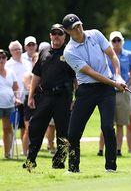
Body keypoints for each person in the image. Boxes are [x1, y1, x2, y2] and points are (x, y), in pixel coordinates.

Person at [62, 14, 126, 173]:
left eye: (79, 24)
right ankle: (73, 168)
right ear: (68, 31)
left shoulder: (95, 34)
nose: (78, 29)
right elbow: (91, 72)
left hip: (106, 90)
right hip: (86, 90)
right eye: (74, 28)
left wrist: (118, 75)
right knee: (74, 132)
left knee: (107, 127)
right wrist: (114, 83)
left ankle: (111, 167)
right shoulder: (69, 51)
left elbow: (112, 55)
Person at [22, 24, 76, 170]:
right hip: (44, 96)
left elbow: (76, 78)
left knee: (63, 132)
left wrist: (74, 98)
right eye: (54, 33)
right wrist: (31, 95)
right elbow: (37, 75)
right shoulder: (44, 51)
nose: (56, 36)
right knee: (35, 127)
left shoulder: (69, 52)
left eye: (60, 33)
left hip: (63, 98)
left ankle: (59, 162)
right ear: (50, 35)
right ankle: (30, 160)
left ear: (65, 36)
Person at [97, 31, 131, 157]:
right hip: (107, 92)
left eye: (118, 40)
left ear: (122, 41)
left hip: (122, 93)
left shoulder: (128, 55)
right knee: (106, 123)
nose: (116, 43)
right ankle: (101, 149)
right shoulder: (105, 55)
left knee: (120, 124)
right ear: (110, 42)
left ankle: (118, 149)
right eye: (114, 41)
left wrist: (126, 84)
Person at [6, 40, 31, 156]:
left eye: (19, 49)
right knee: (13, 126)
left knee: (25, 126)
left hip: (27, 98)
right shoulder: (8, 64)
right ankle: (10, 150)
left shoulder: (27, 62)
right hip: (15, 100)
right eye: (14, 49)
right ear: (10, 51)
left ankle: (24, 149)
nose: (17, 51)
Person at [0, 49, 20, 159]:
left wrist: (17, 98)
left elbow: (16, 88)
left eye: (3, 57)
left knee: (8, 129)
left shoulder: (10, 72)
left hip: (9, 105)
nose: (1, 59)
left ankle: (7, 153)